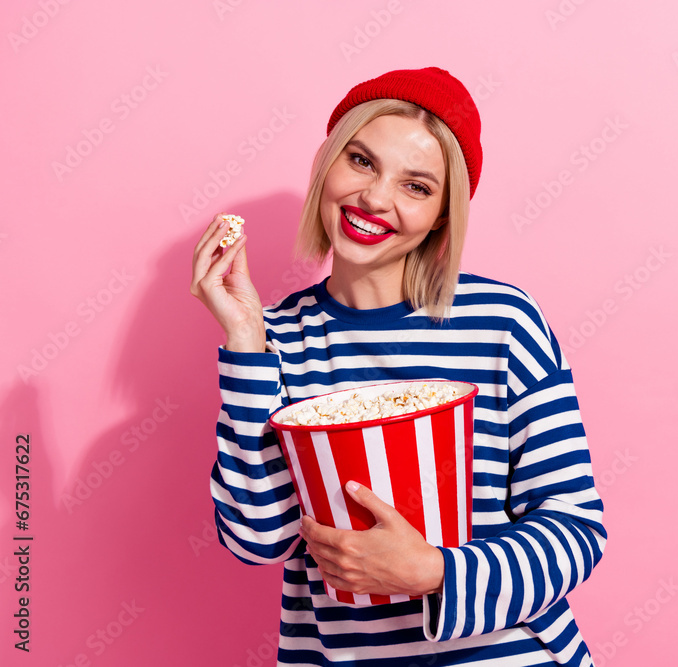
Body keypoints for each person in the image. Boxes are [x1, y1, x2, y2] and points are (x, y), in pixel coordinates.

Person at [190, 66, 607, 665]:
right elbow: (258, 540)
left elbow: (576, 530)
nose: (376, 199)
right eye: (361, 161)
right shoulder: (272, 342)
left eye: (416, 186)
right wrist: (246, 344)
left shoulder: (503, 323)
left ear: (442, 214)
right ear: (327, 163)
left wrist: (433, 571)